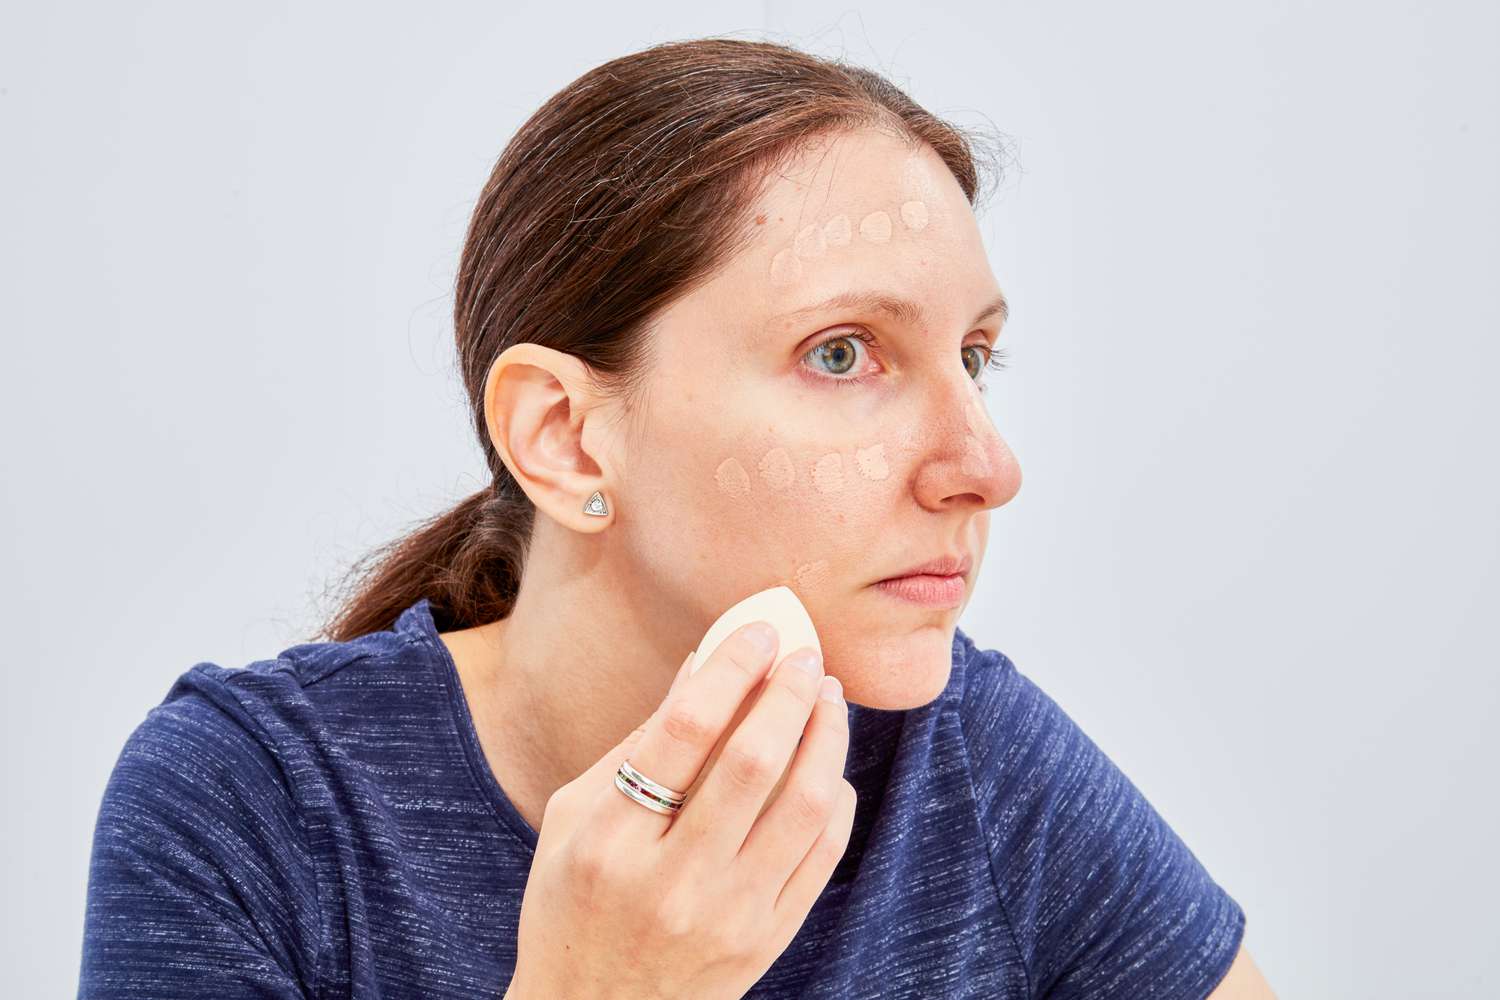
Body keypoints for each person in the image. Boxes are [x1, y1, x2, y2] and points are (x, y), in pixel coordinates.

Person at [77, 36, 1274, 999]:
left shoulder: (968, 757)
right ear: (565, 434)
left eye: (975, 355)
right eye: (844, 352)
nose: (985, 464)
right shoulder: (252, 803)